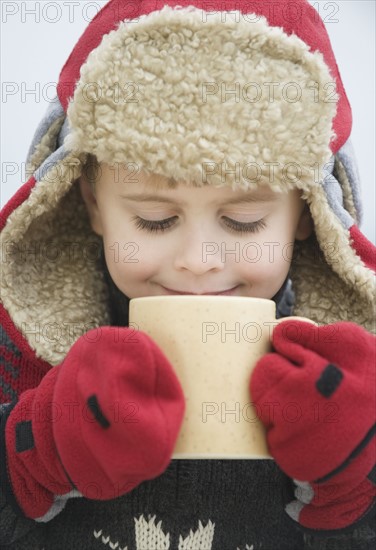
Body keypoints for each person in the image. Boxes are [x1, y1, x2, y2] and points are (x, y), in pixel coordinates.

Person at [0, 0, 374, 548]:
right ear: (91, 203)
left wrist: (359, 481)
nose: (199, 258)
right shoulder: (15, 352)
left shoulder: (352, 377)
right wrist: (32, 456)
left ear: (307, 213)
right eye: (155, 220)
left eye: (244, 222)